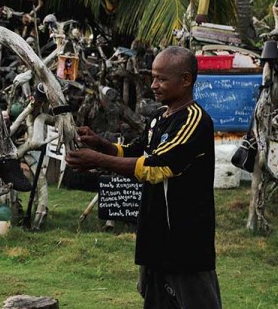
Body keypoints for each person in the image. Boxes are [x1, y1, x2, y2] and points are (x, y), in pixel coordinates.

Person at [66, 46, 221, 309]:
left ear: (185, 80)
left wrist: (98, 160)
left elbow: (155, 167)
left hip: (185, 242)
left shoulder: (195, 121)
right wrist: (99, 143)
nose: (154, 85)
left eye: (161, 79)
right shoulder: (158, 119)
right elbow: (134, 151)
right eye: (153, 77)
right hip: (155, 237)